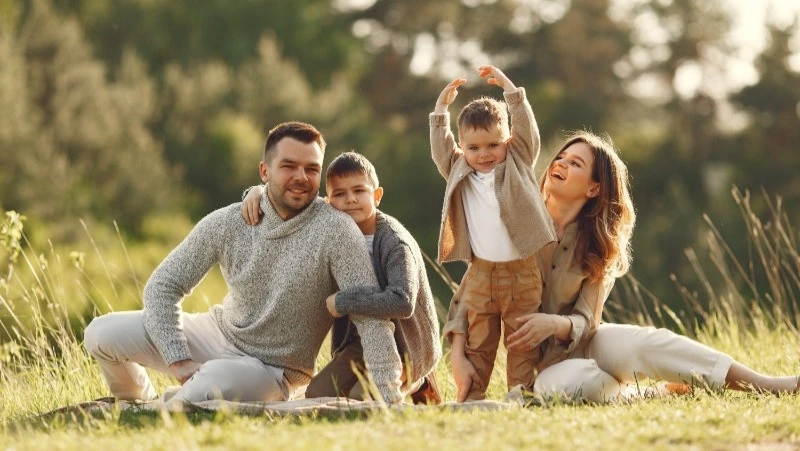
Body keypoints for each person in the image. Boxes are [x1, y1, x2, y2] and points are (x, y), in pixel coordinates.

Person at [447, 131, 800, 402]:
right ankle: (645, 394)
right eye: (562, 157)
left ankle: (765, 384)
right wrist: (460, 355)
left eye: (575, 164)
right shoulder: (513, 222)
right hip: (541, 368)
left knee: (645, 343)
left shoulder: (598, 246)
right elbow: (472, 291)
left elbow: (588, 322)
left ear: (593, 189)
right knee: (562, 386)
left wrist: (554, 323)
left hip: (585, 342)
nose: (560, 164)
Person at [83, 121, 406, 404]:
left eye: (311, 169)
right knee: (101, 333)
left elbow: (370, 316)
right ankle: (137, 404)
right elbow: (163, 286)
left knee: (209, 385)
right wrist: (178, 360)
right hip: (217, 333)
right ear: (264, 171)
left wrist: (390, 395)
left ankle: (173, 405)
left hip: (271, 371)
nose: (301, 177)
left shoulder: (337, 230)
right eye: (288, 166)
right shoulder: (228, 221)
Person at [242, 151, 443, 404]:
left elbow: (402, 301)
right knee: (317, 394)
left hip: (406, 347)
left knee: (364, 399)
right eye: (339, 194)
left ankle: (417, 382)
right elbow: (295, 205)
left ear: (377, 196)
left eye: (359, 191)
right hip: (360, 343)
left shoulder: (394, 243)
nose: (350, 200)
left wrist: (344, 301)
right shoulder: (333, 232)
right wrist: (258, 192)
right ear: (328, 203)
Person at [429, 65, 557, 400]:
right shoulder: (459, 169)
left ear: (508, 141)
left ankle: (521, 392)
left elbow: (527, 131)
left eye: (492, 145)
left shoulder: (518, 159)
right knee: (479, 341)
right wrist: (441, 110)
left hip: (523, 272)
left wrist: (511, 91)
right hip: (482, 274)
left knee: (522, 339)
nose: (484, 154)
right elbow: (441, 149)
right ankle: (474, 397)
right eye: (473, 148)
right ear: (463, 147)